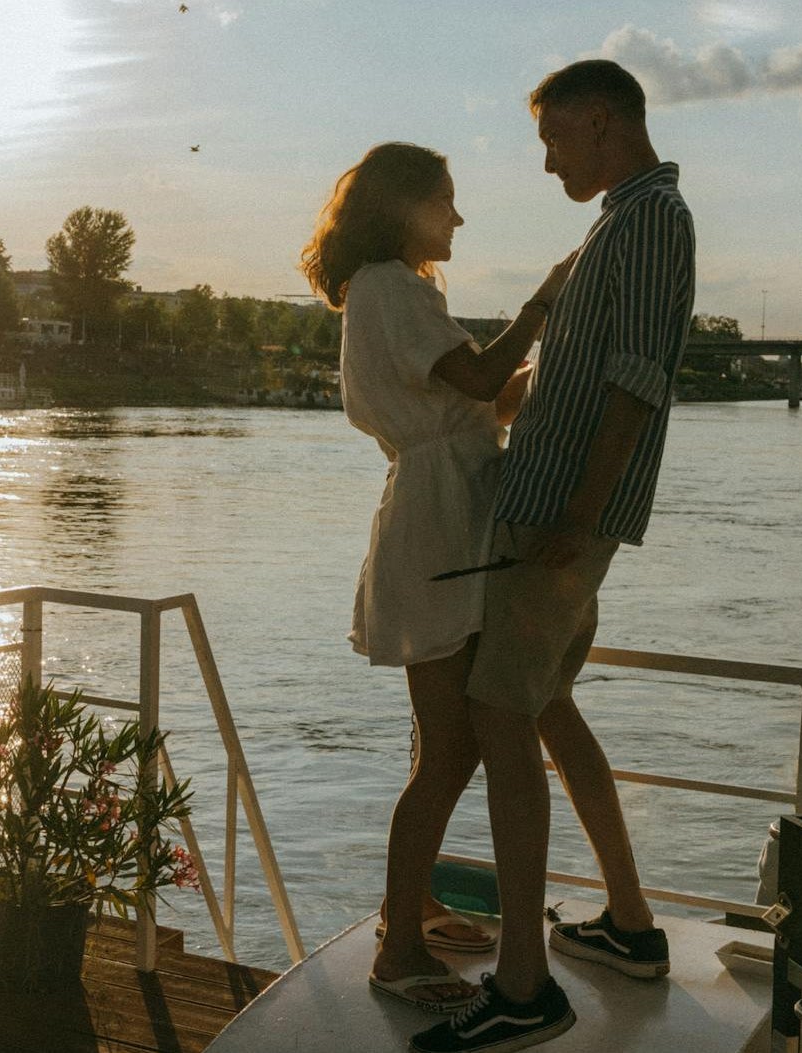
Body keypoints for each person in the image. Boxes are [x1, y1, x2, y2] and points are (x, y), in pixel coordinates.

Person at [410, 59, 696, 1053]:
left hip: (560, 522)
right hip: (548, 510)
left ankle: (525, 988)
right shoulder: (616, 221)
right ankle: (628, 924)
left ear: (605, 122)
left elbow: (638, 377)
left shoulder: (652, 218)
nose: (545, 162)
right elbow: (583, 376)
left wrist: (577, 511)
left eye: (554, 139)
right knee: (548, 707)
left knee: (498, 712)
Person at [298, 142, 573, 1015]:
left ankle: (412, 907)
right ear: (406, 208)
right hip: (440, 520)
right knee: (450, 747)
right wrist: (542, 303)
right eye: (446, 203)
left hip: (445, 505)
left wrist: (562, 365)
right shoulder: (390, 285)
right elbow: (485, 378)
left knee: (439, 736)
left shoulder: (398, 289)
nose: (457, 219)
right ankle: (399, 949)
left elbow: (486, 401)